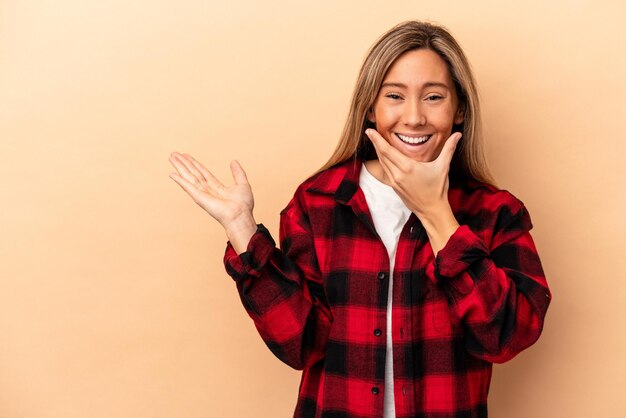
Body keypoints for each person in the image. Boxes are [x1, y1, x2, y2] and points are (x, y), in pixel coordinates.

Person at [168, 20, 551, 418]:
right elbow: (300, 344)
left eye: (434, 97)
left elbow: (506, 338)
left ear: (459, 111)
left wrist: (438, 215)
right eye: (395, 96)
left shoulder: (495, 212)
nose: (415, 117)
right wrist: (241, 229)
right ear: (371, 108)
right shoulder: (317, 203)